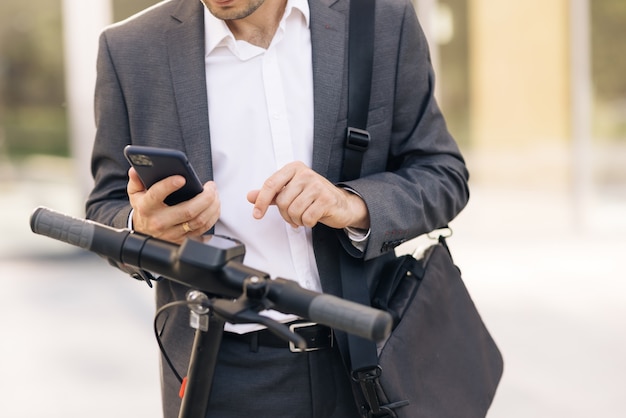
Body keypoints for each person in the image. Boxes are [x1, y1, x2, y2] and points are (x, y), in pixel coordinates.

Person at [86, 0, 470, 416]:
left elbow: (442, 173)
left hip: (371, 361)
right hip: (219, 373)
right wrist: (141, 227)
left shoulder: (381, 19)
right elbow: (106, 208)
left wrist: (353, 204)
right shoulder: (130, 49)